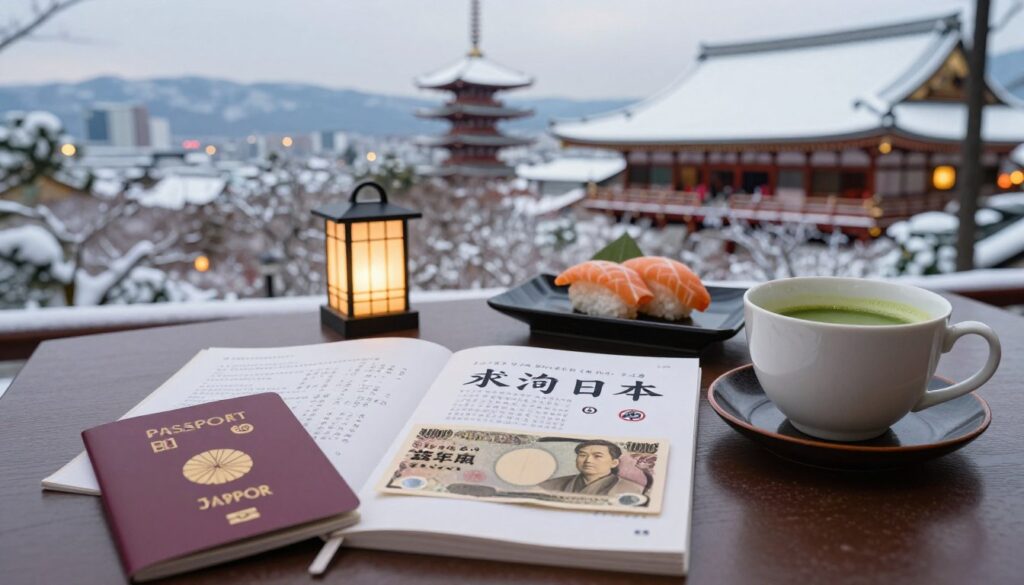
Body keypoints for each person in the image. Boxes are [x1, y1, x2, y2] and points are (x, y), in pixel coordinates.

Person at [538, 440, 645, 496]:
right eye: (583, 455)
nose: (588, 460)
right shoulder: (549, 485)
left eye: (597, 456)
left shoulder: (634, 489)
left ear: (614, 463)